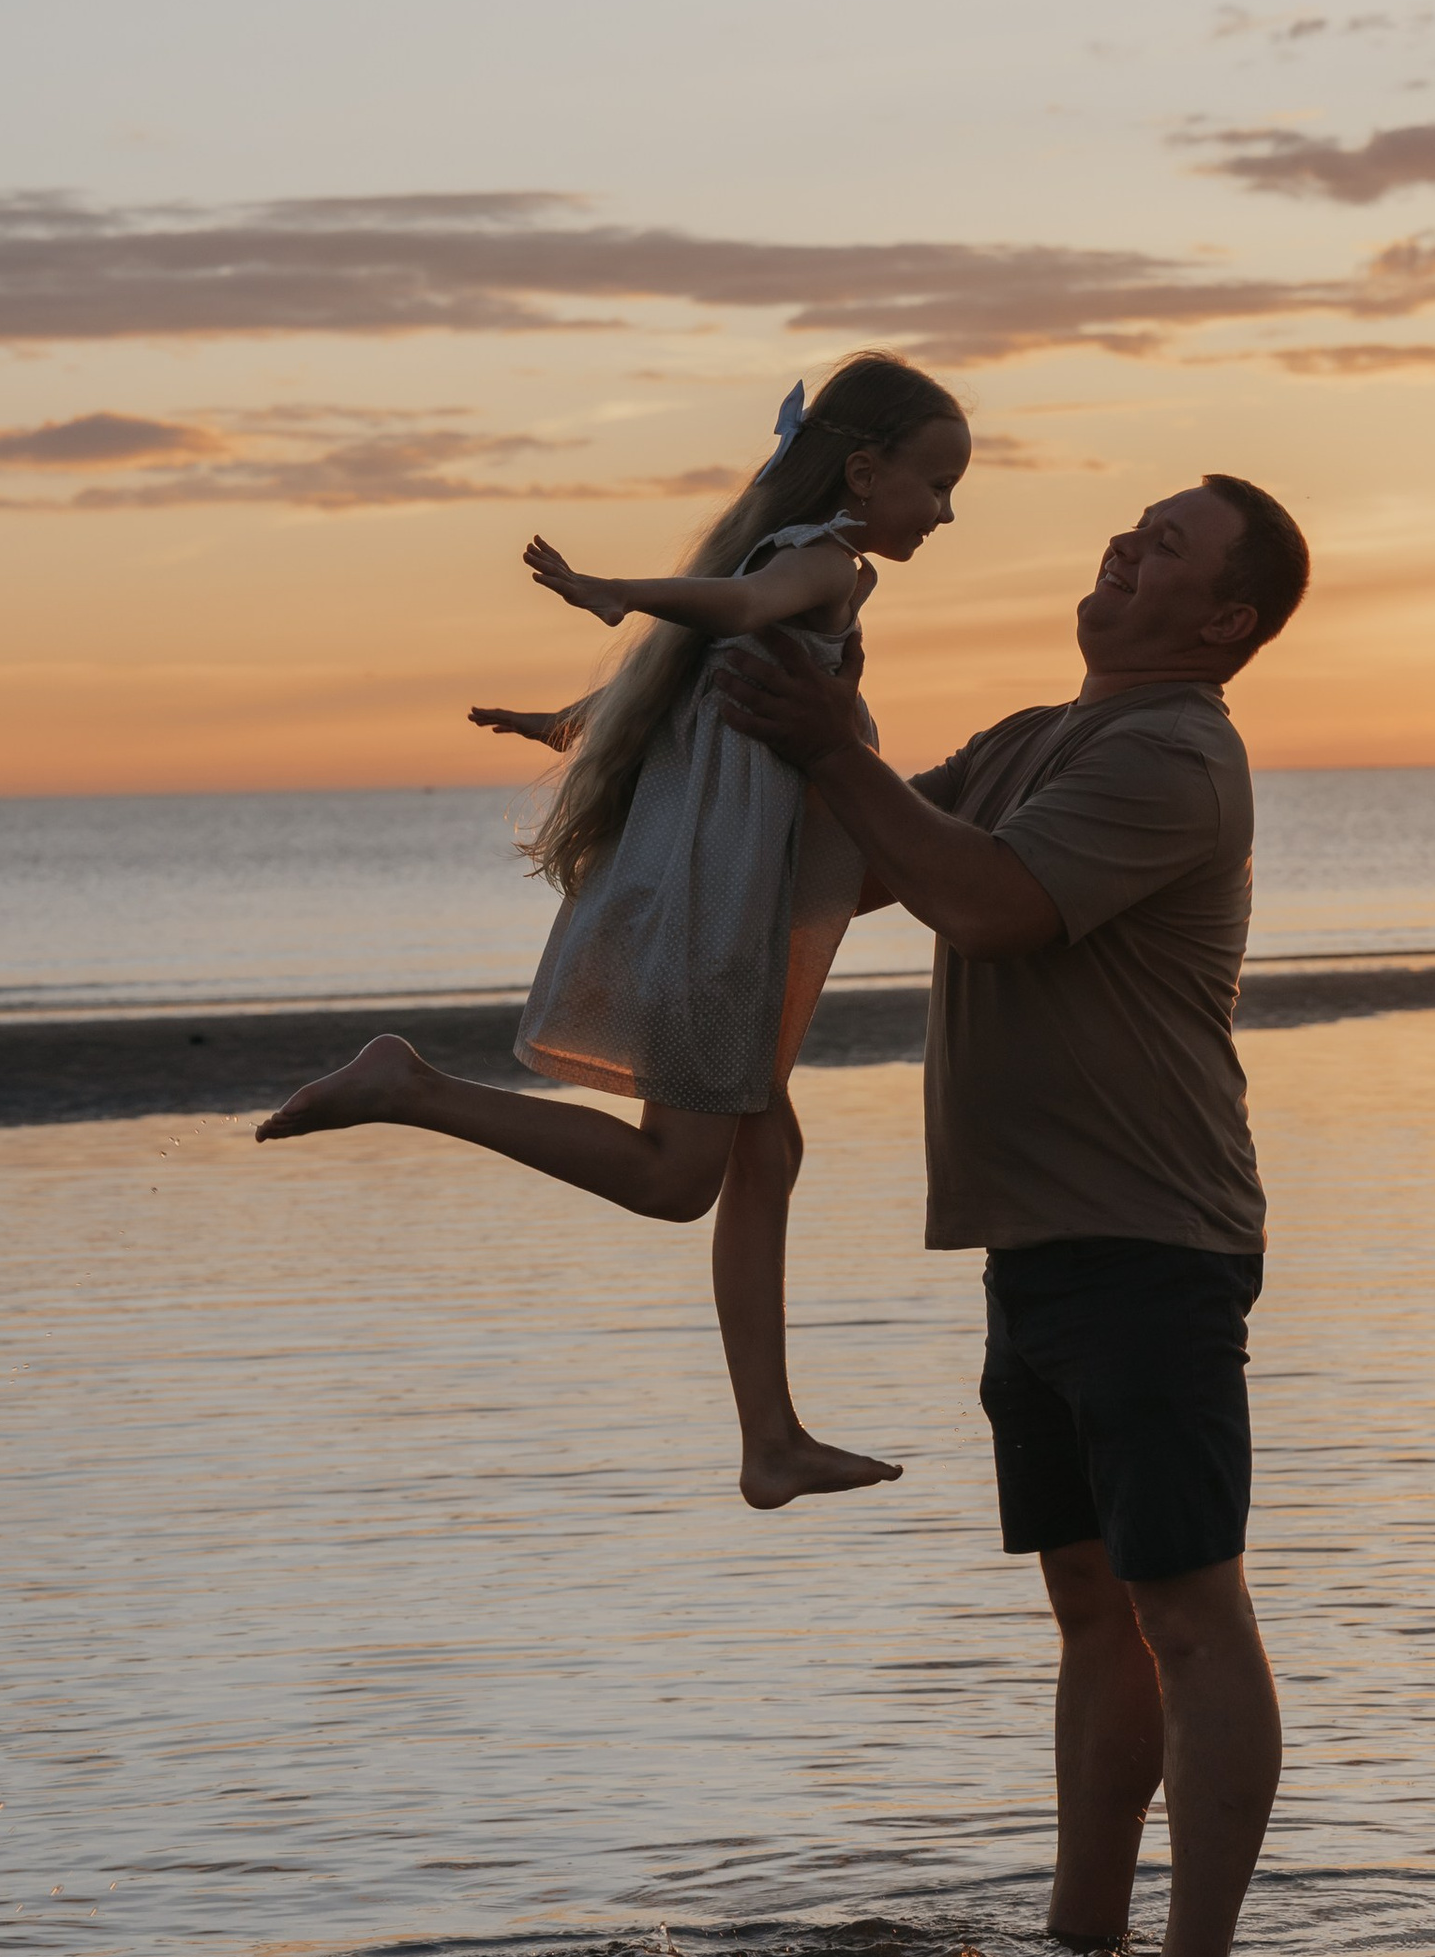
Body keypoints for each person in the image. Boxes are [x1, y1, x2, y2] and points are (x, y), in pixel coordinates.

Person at [719, 471, 1310, 1957]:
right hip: (1038, 1245)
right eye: (1133, 527)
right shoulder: (1040, 741)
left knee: (1187, 1609)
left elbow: (988, 902)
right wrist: (747, 696)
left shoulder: (1177, 758)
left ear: (1224, 617)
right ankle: (1082, 1944)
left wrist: (838, 754)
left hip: (1151, 1241)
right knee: (1089, 1610)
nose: (1124, 545)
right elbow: (866, 859)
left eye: (1165, 545)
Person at [256, 353, 972, 1506]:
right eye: (935, 485)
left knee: (767, 1152)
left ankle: (770, 1441)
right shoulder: (819, 568)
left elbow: (684, 690)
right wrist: (619, 592)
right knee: (676, 1179)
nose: (945, 512)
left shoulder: (770, 566)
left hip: (713, 907)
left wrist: (567, 718)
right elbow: (732, 615)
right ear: (862, 470)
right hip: (719, 924)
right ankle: (412, 1087)